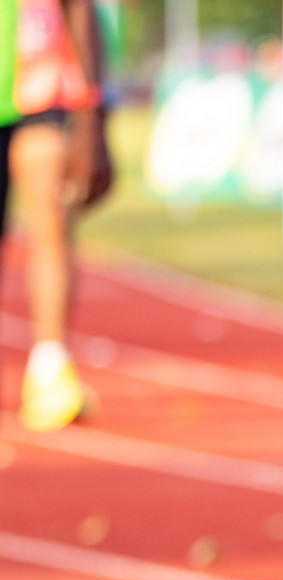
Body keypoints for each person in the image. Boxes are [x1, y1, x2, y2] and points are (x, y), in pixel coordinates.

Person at [8, 0, 114, 433]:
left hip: (39, 82)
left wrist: (93, 113)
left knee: (50, 222)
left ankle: (49, 368)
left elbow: (80, 7)